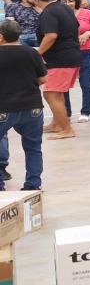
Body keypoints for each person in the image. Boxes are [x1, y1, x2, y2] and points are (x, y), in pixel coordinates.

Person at [0, 19, 47, 191]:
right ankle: (33, 184)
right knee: (33, 147)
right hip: (32, 106)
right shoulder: (31, 52)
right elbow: (43, 79)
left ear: (1, 37)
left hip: (4, 106)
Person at [33, 0, 82, 139]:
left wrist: (37, 53)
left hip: (60, 59)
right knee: (57, 92)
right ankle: (57, 123)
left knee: (50, 94)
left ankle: (67, 130)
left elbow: (51, 35)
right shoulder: (64, 8)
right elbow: (77, 27)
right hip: (71, 55)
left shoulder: (48, 12)